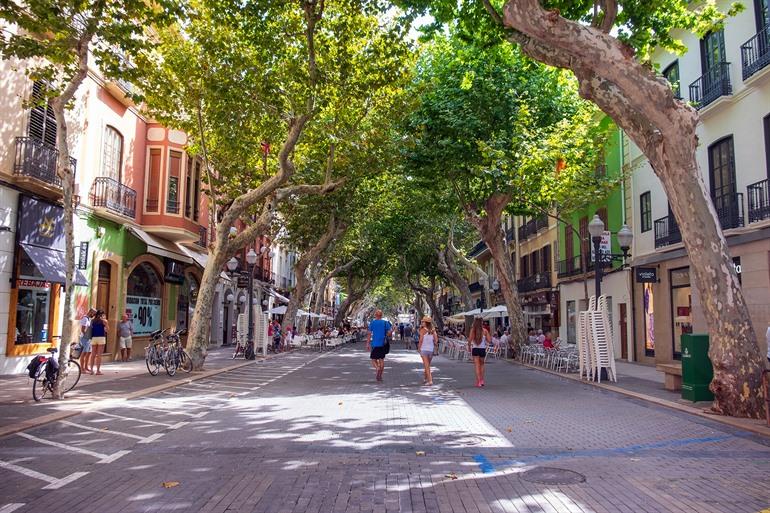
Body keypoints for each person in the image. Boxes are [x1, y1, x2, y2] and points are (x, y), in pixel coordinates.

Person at [366, 309, 392, 382]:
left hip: (375, 344)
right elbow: (389, 333)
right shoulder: (385, 323)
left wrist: (367, 343)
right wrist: (386, 334)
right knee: (381, 359)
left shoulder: (372, 323)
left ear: (375, 315)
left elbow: (369, 333)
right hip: (383, 344)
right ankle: (380, 376)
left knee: (373, 359)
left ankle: (377, 368)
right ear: (381, 315)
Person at [467, 316, 490, 387]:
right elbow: (489, 340)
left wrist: (469, 347)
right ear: (481, 323)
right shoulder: (485, 331)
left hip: (475, 349)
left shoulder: (473, 330)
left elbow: (469, 340)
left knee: (477, 365)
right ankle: (482, 380)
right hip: (482, 349)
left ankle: (478, 381)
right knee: (482, 365)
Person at [418, 316, 438, 385]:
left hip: (424, 349)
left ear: (426, 323)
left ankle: (430, 381)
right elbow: (436, 340)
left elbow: (420, 340)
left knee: (426, 366)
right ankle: (425, 378)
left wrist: (419, 348)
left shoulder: (422, 330)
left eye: (423, 322)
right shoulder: (433, 330)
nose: (422, 323)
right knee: (427, 365)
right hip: (431, 350)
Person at [90, 310, 108, 375]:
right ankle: (98, 371)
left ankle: (91, 370)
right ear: (102, 315)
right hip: (101, 337)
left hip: (94, 338)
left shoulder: (92, 320)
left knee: (93, 354)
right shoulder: (104, 321)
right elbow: (107, 330)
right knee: (99, 355)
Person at [79, 308, 95, 373]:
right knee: (84, 353)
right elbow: (83, 329)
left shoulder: (89, 319)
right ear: (91, 312)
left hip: (89, 338)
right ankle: (82, 368)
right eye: (93, 314)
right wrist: (87, 335)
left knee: (89, 353)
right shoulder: (85, 319)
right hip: (84, 338)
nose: (94, 315)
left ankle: (86, 367)